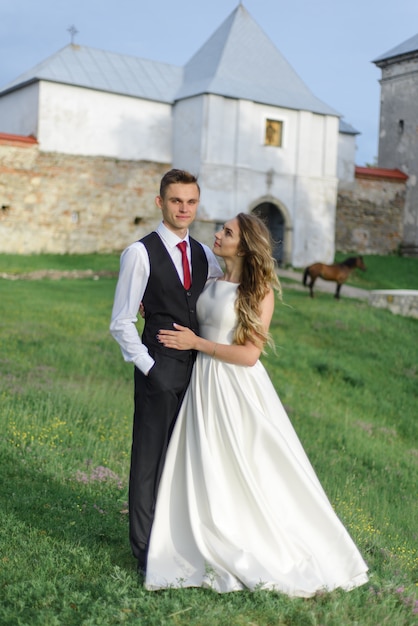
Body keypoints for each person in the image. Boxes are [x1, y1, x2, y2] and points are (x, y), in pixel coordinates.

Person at [144, 212, 369, 596]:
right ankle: (198, 535)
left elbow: (250, 355)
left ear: (245, 245)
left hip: (235, 387)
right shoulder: (210, 280)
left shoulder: (259, 292)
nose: (217, 234)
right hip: (204, 384)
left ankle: (258, 540)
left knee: (247, 464)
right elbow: (188, 312)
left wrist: (197, 344)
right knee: (205, 461)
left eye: (227, 232)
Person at [110, 169, 223, 575]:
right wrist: (150, 368)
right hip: (159, 371)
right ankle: (144, 551)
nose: (184, 209)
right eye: (176, 201)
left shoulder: (204, 255)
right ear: (160, 202)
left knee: (183, 460)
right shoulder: (139, 253)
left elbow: (210, 302)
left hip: (198, 372)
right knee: (149, 460)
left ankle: (178, 538)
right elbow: (121, 321)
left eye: (191, 202)